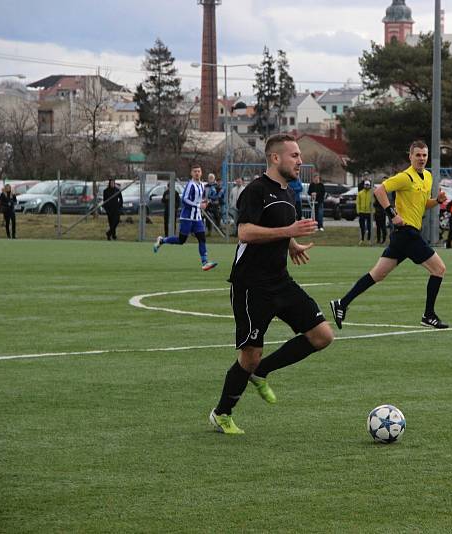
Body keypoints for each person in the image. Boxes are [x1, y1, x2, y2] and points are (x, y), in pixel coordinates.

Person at [209, 133, 334, 435]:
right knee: (249, 355)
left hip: (280, 280)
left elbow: (277, 228)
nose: (300, 161)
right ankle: (221, 413)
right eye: (294, 156)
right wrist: (289, 230)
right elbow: (246, 232)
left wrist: (291, 243)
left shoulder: (288, 191)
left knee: (322, 336)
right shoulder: (255, 190)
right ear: (276, 158)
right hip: (251, 285)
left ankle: (263, 372)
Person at [329, 140, 449, 329]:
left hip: (405, 235)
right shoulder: (405, 177)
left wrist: (437, 201)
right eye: (418, 155)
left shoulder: (427, 176)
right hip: (407, 233)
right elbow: (379, 190)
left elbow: (423, 203)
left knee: (377, 274)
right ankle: (429, 315)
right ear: (410, 156)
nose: (422, 158)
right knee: (439, 269)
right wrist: (392, 214)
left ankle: (341, 304)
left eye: (424, 155)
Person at [153, 163, 218, 271]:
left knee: (202, 238)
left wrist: (204, 202)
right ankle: (162, 241)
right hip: (187, 217)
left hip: (197, 218)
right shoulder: (190, 184)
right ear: (191, 173)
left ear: (201, 173)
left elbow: (198, 199)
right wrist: (198, 205)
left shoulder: (202, 185)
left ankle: (205, 262)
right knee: (181, 240)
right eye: (195, 171)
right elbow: (185, 199)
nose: (197, 173)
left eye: (199, 171)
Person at [356, 179, 373, 244]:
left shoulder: (372, 193)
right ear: (364, 185)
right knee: (362, 226)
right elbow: (358, 202)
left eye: (368, 185)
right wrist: (358, 210)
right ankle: (362, 239)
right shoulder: (360, 193)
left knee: (369, 227)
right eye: (366, 185)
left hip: (369, 212)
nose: (367, 186)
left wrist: (373, 211)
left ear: (369, 185)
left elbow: (373, 202)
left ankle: (369, 240)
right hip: (362, 212)